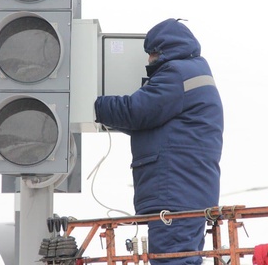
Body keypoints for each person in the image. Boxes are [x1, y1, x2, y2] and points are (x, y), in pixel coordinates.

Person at [94, 18, 224, 265]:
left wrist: (94, 105)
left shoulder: (176, 73)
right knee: (183, 257)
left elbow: (137, 111)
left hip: (174, 190)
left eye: (150, 54)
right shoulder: (194, 71)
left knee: (172, 259)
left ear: (160, 50)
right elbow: (150, 122)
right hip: (186, 190)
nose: (148, 61)